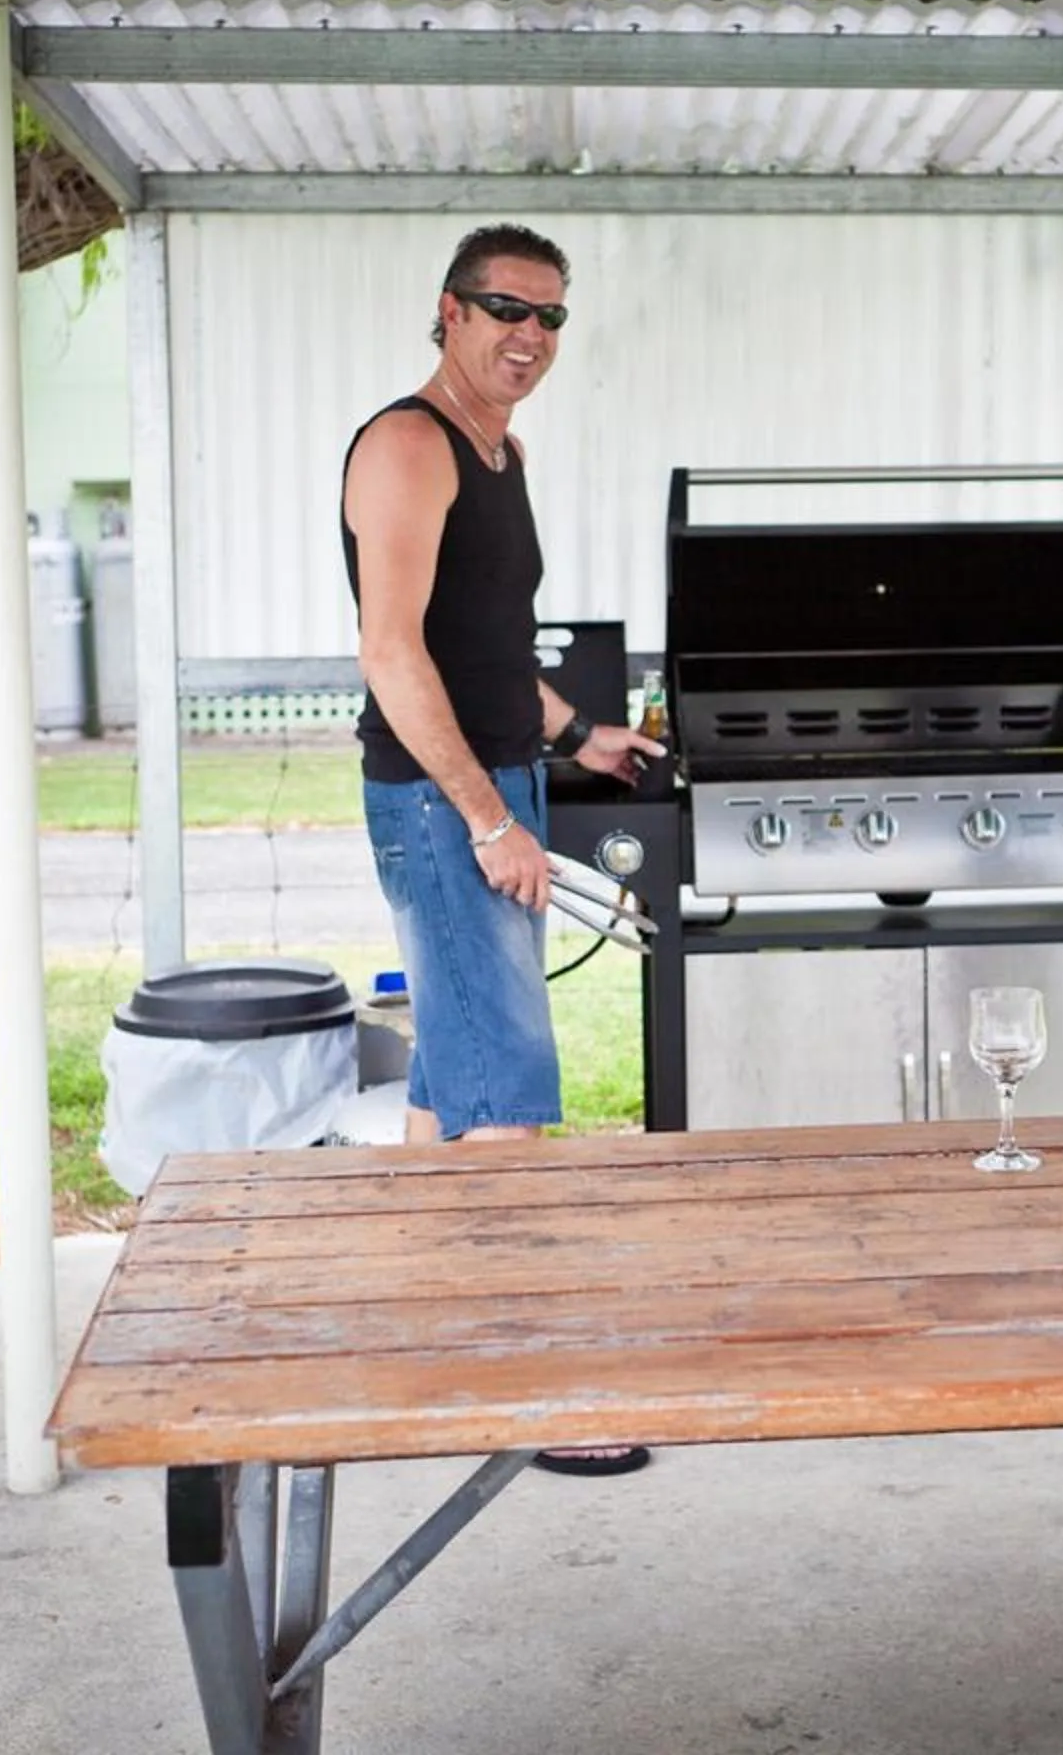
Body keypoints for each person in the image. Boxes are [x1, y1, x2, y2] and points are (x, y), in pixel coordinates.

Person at [338, 223, 665, 1475]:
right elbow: (391, 651)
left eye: (550, 316)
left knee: (451, 1079)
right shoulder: (407, 446)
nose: (530, 334)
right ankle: (527, 1390)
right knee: (508, 1100)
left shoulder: (501, 452)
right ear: (450, 311)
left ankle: (427, 1348)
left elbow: (485, 649)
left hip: (491, 784)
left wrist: (579, 736)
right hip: (439, 804)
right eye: (506, 309)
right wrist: (486, 817)